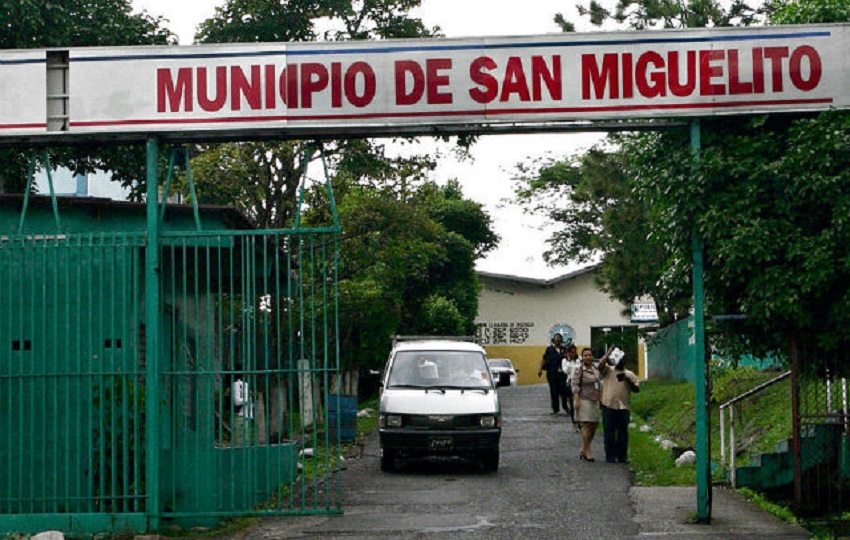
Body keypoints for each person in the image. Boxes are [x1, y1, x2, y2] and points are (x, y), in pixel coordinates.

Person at [599, 349, 640, 463]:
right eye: (618, 360)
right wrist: (607, 354)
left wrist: (628, 380)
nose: (620, 362)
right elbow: (600, 365)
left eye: (622, 360)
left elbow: (637, 389)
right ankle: (610, 456)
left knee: (623, 433)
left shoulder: (630, 374)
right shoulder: (608, 371)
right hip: (608, 405)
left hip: (623, 406)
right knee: (609, 432)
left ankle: (622, 456)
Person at [572, 347, 606, 461]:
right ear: (582, 357)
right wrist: (576, 400)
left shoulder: (595, 368)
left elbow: (600, 382)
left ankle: (584, 447)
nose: (588, 357)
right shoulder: (579, 369)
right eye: (585, 355)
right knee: (586, 424)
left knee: (594, 425)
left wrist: (601, 398)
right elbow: (575, 385)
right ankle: (588, 451)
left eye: (589, 355)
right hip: (584, 399)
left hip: (595, 399)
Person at [538, 333, 570, 415]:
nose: (557, 340)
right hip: (552, 373)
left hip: (562, 374)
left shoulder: (564, 349)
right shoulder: (549, 349)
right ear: (553, 340)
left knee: (564, 391)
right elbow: (544, 359)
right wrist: (540, 369)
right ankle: (555, 409)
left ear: (561, 340)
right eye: (556, 338)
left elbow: (568, 359)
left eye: (559, 338)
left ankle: (565, 407)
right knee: (554, 391)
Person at [232, 365, 254, 446]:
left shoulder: (245, 384)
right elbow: (237, 401)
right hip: (241, 415)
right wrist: (248, 398)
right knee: (240, 440)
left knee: (246, 440)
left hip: (247, 415)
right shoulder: (237, 384)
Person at [561, 344, 580, 432]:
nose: (572, 354)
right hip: (570, 383)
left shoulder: (579, 359)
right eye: (570, 352)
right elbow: (566, 371)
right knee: (573, 405)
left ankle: (580, 422)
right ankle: (574, 423)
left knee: (580, 404)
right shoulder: (564, 361)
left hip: (580, 383)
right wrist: (569, 361)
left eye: (573, 351)